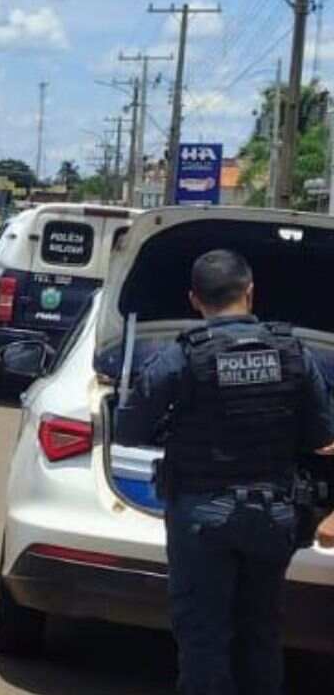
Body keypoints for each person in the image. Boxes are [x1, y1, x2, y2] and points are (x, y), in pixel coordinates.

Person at [114, 249, 334, 695]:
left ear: (195, 300)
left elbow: (128, 428)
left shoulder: (180, 357)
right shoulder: (295, 353)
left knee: (203, 639)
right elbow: (322, 440)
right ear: (250, 292)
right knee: (261, 632)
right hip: (275, 515)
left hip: (201, 517)